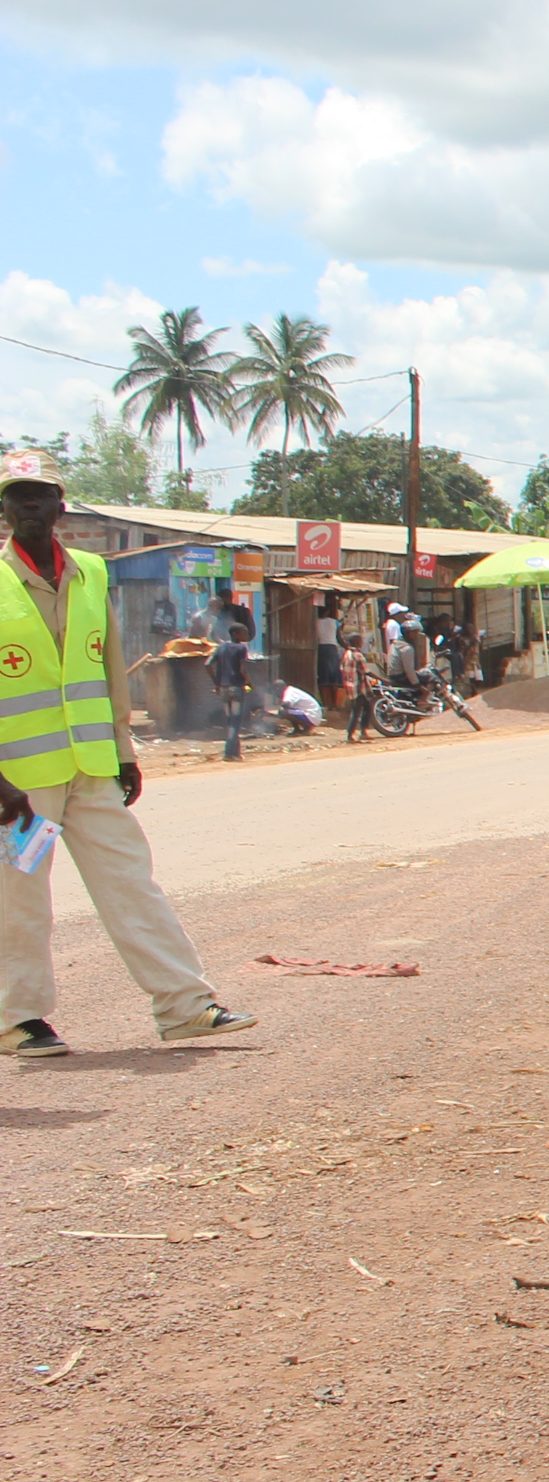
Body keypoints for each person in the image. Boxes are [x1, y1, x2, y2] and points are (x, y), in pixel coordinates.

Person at [0, 448, 255, 1058]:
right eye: (16, 495)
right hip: (18, 780)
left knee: (131, 883)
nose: (29, 504)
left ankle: (185, 1007)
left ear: (61, 506)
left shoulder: (91, 571)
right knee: (20, 898)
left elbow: (109, 667)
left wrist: (123, 750)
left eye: (40, 494)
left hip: (91, 765)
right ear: (3, 508)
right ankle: (17, 1018)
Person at [207, 614, 254, 761]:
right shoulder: (241, 648)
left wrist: (216, 682)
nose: (246, 635)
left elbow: (207, 664)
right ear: (235, 634)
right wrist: (249, 682)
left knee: (230, 721)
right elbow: (243, 670)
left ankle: (236, 753)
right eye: (244, 633)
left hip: (223, 688)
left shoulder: (221, 647)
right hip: (236, 687)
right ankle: (229, 753)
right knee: (235, 721)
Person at [339, 632, 376, 744]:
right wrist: (383, 679)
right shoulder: (357, 655)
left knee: (363, 708)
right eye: (360, 640)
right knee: (359, 710)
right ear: (355, 641)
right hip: (359, 686)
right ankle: (351, 734)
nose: (362, 642)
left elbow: (342, 668)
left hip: (350, 686)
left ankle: (362, 732)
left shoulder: (346, 654)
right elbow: (366, 671)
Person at [312, 600, 340, 702]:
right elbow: (339, 638)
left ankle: (325, 703)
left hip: (321, 649)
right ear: (328, 611)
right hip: (332, 648)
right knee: (334, 678)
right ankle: (334, 703)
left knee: (323, 677)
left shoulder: (315, 622)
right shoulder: (334, 622)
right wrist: (349, 647)